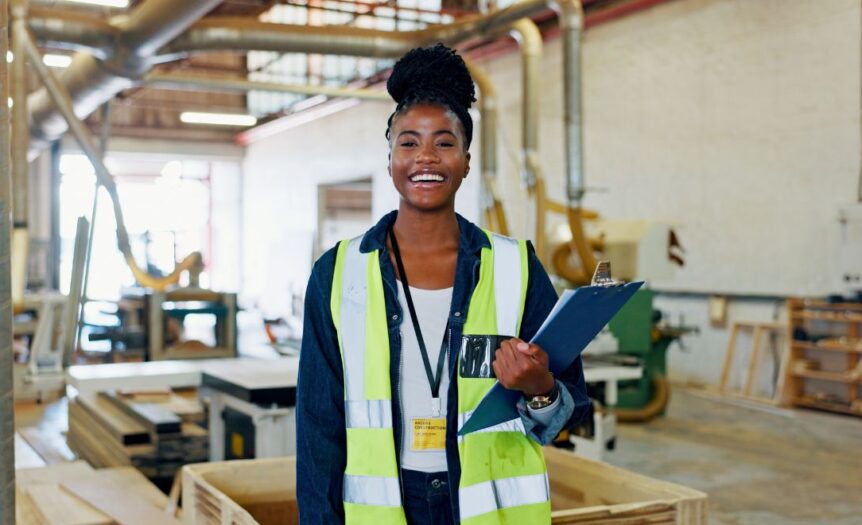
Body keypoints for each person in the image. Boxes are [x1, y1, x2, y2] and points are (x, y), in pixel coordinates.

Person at [296, 43, 591, 525]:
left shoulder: (516, 267)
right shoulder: (338, 272)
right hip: (385, 507)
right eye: (409, 143)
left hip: (486, 509)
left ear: (467, 159)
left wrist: (540, 387)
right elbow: (317, 425)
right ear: (389, 157)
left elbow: (570, 405)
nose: (425, 157)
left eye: (444, 142)